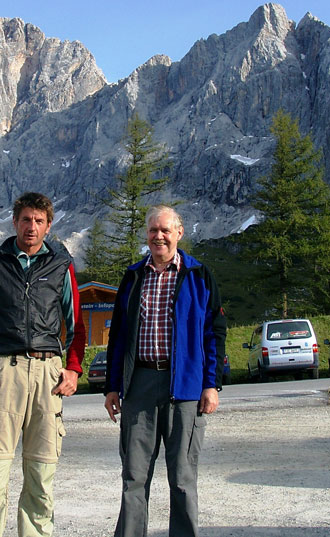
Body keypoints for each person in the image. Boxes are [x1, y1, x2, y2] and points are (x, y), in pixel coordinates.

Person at [0, 191, 87, 537]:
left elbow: (76, 327)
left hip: (48, 376)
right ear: (14, 222)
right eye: (26, 220)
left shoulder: (62, 265)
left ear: (49, 226)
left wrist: (73, 369)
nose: (32, 227)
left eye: (39, 221)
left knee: (41, 480)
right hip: (2, 374)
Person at [103, 204, 226, 537]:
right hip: (139, 383)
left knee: (183, 477)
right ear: (147, 234)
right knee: (134, 477)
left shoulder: (199, 276)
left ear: (179, 233)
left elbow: (214, 332)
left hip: (185, 386)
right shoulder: (133, 276)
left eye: (165, 230)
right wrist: (113, 386)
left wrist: (211, 384)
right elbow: (117, 337)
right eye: (153, 230)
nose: (159, 236)